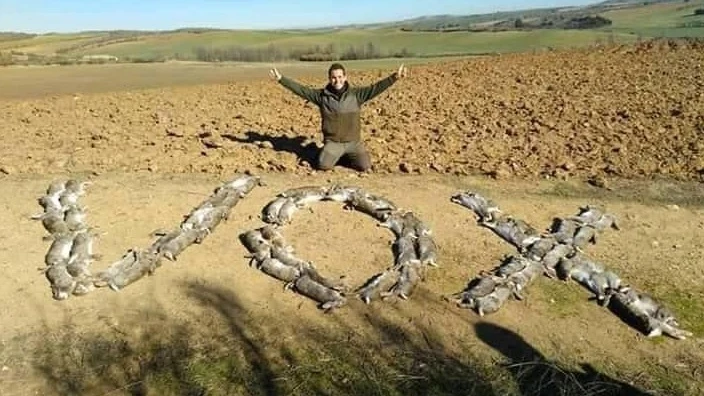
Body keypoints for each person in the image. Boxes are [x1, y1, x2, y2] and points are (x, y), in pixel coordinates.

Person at [270, 62, 407, 172]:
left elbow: (376, 88)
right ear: (330, 79)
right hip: (333, 143)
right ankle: (331, 154)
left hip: (353, 142)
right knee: (323, 165)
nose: (337, 80)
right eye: (334, 77)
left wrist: (394, 77)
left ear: (345, 77)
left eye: (340, 77)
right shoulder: (322, 96)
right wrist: (281, 79)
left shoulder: (356, 95)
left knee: (365, 166)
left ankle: (342, 156)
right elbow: (302, 90)